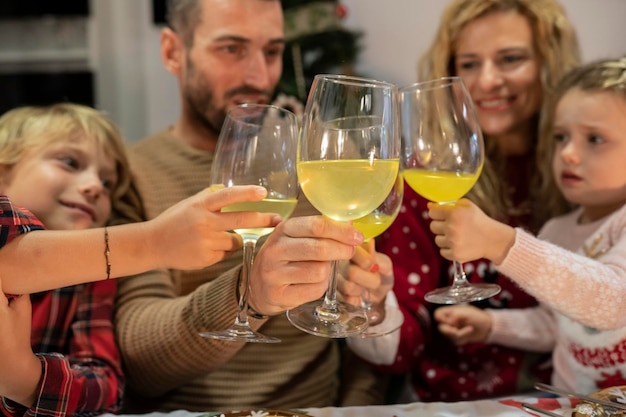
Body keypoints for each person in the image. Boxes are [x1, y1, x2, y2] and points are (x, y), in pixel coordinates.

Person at [112, 0, 391, 412]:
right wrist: (248, 293)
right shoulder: (131, 172)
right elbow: (139, 362)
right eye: (232, 49)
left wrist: (368, 306)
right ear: (173, 51)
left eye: (272, 51)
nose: (259, 76)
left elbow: (363, 350)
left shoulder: (323, 163)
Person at [351, 0, 582, 403]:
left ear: (551, 64)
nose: (488, 81)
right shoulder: (426, 182)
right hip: (457, 406)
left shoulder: (592, 172)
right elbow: (399, 349)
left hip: (578, 400)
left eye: (510, 59)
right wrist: (370, 307)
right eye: (470, 64)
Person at [0, 102, 279, 416]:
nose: (94, 186)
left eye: (108, 183)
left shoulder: (92, 281)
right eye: (69, 162)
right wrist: (155, 240)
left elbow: (106, 387)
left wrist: (25, 378)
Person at [429, 56, 626, 394]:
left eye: (594, 139)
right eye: (561, 137)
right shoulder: (556, 230)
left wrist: (502, 243)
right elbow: (557, 324)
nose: (567, 154)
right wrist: (492, 325)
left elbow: (614, 302)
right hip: (573, 405)